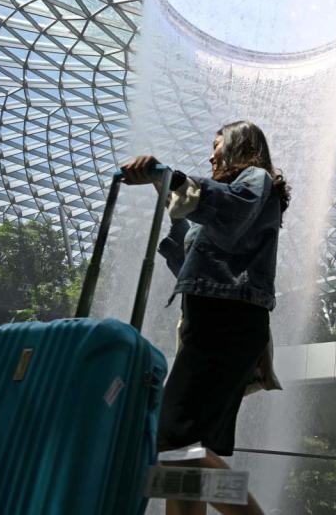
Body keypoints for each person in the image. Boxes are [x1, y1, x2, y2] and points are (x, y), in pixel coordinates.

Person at [121, 120, 290, 515]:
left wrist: (172, 176)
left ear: (238, 147)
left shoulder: (254, 180)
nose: (211, 155)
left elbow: (228, 212)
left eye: (217, 146)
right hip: (212, 322)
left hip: (227, 322)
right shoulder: (237, 192)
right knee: (181, 450)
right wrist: (160, 183)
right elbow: (190, 250)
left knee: (173, 440)